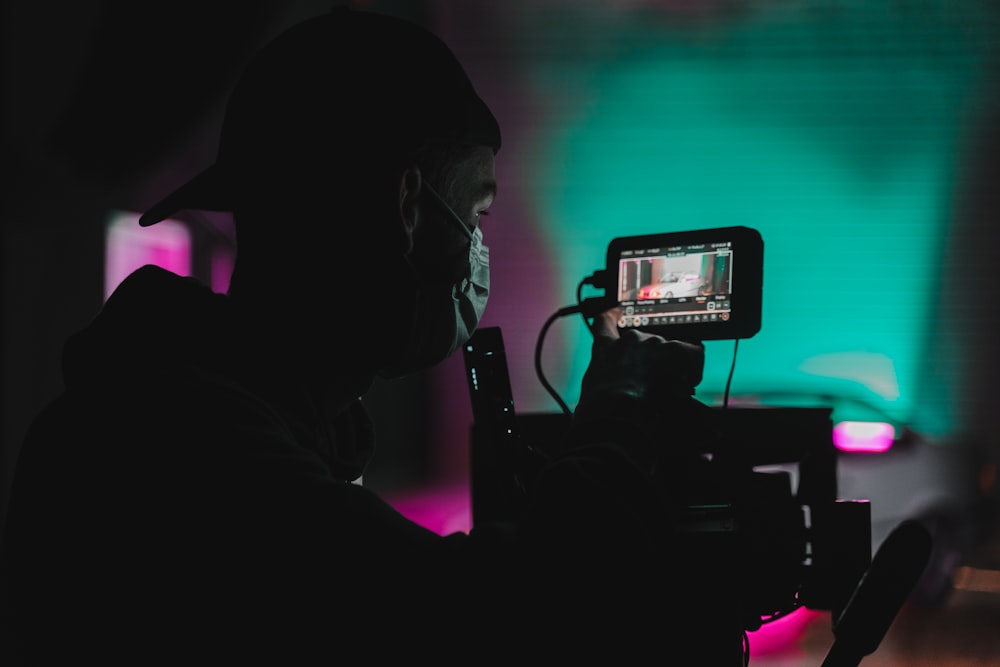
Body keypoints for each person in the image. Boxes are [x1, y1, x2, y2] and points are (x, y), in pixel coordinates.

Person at [2, 6, 712, 664]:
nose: (479, 252)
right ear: (407, 206)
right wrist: (618, 415)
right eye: (477, 212)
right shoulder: (178, 444)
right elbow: (509, 621)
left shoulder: (208, 407)